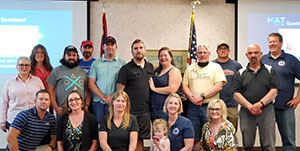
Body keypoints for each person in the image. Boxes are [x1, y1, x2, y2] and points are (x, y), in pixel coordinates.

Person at [233, 44, 279, 151]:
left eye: (256, 52)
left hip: (266, 110)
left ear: (261, 54)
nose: (253, 55)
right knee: (247, 145)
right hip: (246, 112)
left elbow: (274, 91)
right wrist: (250, 107)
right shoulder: (240, 72)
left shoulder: (270, 70)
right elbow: (236, 94)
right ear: (246, 55)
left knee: (268, 145)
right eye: (250, 53)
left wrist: (259, 104)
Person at [182, 43, 227, 151]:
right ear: (196, 54)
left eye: (204, 52)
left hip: (211, 108)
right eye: (200, 52)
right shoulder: (190, 68)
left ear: (209, 54)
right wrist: (193, 98)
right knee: (195, 136)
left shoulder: (216, 67)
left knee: (211, 135)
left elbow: (218, 86)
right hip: (193, 107)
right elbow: (184, 86)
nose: (202, 55)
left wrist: (201, 96)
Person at [261, 33, 300, 151]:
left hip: (285, 106)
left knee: (289, 140)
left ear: (281, 43)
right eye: (270, 42)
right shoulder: (262, 59)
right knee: (266, 141)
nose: (272, 44)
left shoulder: (291, 60)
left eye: (274, 41)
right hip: (266, 107)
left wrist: (298, 99)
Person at [117, 39, 154, 151]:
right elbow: (120, 91)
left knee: (141, 139)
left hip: (145, 111)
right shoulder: (126, 69)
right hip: (130, 111)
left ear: (145, 50)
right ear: (132, 51)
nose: (139, 50)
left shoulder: (150, 67)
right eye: (136, 48)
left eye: (141, 48)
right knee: (130, 139)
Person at [0, 56, 44, 132]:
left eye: (27, 65)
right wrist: (2, 120)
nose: (24, 67)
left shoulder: (37, 81)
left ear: (30, 67)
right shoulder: (10, 83)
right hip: (14, 120)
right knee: (15, 143)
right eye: (21, 65)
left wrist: (45, 116)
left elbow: (44, 99)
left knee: (34, 143)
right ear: (17, 67)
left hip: (35, 120)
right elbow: (4, 102)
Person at [89, 36, 126, 123]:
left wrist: (112, 97)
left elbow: (124, 83)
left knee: (114, 128)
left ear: (116, 47)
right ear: (103, 47)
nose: (110, 47)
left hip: (116, 102)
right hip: (99, 103)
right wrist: (103, 97)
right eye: (107, 44)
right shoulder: (96, 63)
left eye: (112, 44)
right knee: (99, 128)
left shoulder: (122, 63)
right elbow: (91, 83)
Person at [47, 45, 89, 116]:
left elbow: (88, 91)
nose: (71, 57)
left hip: (79, 110)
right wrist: (56, 107)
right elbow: (49, 90)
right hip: (63, 110)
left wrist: (87, 105)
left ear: (77, 57)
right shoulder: (56, 71)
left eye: (74, 55)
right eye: (69, 55)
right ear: (64, 56)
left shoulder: (83, 72)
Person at [212, 40, 242, 136]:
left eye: (225, 49)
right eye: (220, 49)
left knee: (231, 132)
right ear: (217, 51)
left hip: (231, 105)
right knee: (216, 132)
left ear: (229, 51)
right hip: (216, 105)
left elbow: (241, 84)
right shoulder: (212, 65)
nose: (223, 51)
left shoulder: (236, 65)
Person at [149, 47, 182, 121]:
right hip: (154, 108)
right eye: (161, 56)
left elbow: (172, 89)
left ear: (171, 57)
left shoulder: (174, 71)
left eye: (165, 55)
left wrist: (154, 89)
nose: (163, 58)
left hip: (167, 109)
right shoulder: (157, 69)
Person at [79, 40, 96, 113]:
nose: (87, 50)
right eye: (85, 48)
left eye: (89, 48)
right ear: (80, 49)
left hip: (94, 98)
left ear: (92, 50)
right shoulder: (77, 63)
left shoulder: (96, 63)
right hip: (80, 98)